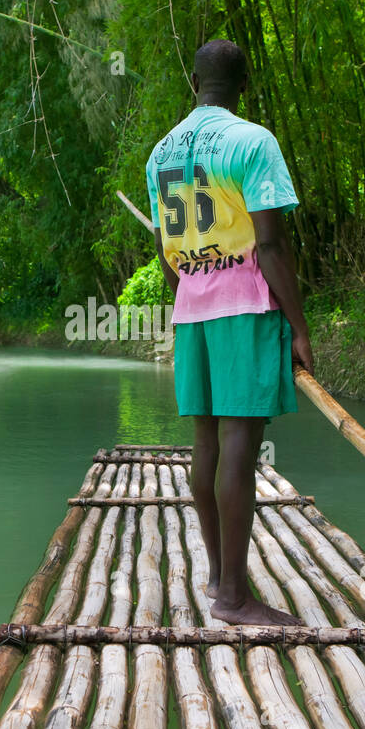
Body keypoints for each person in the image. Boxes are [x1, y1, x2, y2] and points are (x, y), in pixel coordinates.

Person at [145, 38, 313, 627]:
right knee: (240, 442)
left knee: (207, 443)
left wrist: (193, 295)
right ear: (245, 84)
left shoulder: (161, 152)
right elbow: (269, 243)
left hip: (191, 310)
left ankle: (220, 576)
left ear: (194, 81)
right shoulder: (253, 141)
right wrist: (297, 326)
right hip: (246, 307)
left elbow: (167, 254)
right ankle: (235, 600)